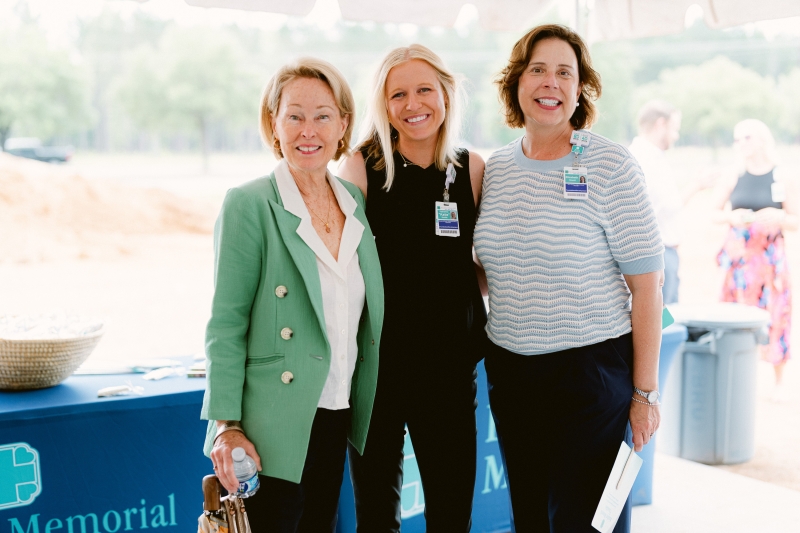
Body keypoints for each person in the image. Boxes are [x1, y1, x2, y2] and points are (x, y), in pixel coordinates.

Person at [474, 25, 664, 533]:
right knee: (530, 518)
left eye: (565, 72)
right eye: (538, 69)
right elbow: (495, 269)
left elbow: (648, 286)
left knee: (587, 524)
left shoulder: (610, 165)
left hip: (590, 375)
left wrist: (645, 395)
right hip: (512, 375)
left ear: (580, 89)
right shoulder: (496, 169)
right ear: (517, 83)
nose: (550, 82)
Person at [201, 57, 384, 532]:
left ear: (343, 124)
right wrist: (227, 426)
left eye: (323, 115)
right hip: (271, 422)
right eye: (295, 115)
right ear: (274, 124)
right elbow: (226, 323)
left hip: (338, 410)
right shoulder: (249, 203)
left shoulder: (353, 202)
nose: (309, 130)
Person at [339, 44, 486, 532]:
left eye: (424, 89)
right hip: (379, 369)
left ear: (446, 93)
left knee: (451, 514)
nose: (412, 103)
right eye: (397, 94)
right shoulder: (363, 166)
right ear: (384, 105)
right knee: (377, 518)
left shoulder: (474, 169)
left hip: (449, 367)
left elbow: (481, 262)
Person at [712, 119, 797, 393]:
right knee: (735, 314)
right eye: (737, 139)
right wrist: (732, 217)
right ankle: (736, 377)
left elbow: (795, 219)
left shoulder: (781, 175)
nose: (741, 144)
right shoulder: (733, 174)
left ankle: (778, 382)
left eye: (746, 138)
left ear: (762, 139)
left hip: (770, 259)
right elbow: (714, 212)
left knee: (777, 314)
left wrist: (780, 217)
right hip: (740, 260)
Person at [629, 100, 714, 304]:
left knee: (665, 319)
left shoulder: (644, 156)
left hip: (660, 253)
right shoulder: (646, 160)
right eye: (674, 128)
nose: (676, 135)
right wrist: (697, 185)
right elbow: (666, 207)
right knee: (663, 323)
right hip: (658, 253)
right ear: (661, 124)